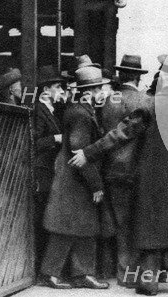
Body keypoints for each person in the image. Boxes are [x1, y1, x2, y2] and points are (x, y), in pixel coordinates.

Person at [68, 55, 168, 296]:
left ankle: (149, 283)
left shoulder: (150, 105)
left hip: (152, 177)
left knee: (152, 228)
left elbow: (121, 133)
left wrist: (90, 152)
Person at [40, 66, 114, 290]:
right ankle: (61, 274)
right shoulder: (81, 114)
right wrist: (96, 184)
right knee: (72, 228)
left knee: (79, 228)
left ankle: (76, 274)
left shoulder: (80, 109)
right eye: (100, 87)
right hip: (76, 181)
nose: (103, 91)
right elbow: (78, 150)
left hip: (72, 180)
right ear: (90, 91)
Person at [99, 54, 149, 287]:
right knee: (136, 221)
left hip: (111, 168)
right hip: (138, 170)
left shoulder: (111, 99)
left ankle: (119, 270)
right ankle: (133, 273)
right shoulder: (144, 100)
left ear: (120, 75)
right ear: (138, 77)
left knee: (117, 221)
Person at [33, 65, 66, 271]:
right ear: (46, 91)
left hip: (48, 171)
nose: (62, 92)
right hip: (41, 172)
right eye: (58, 87)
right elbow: (33, 141)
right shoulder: (38, 110)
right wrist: (55, 138)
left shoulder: (51, 110)